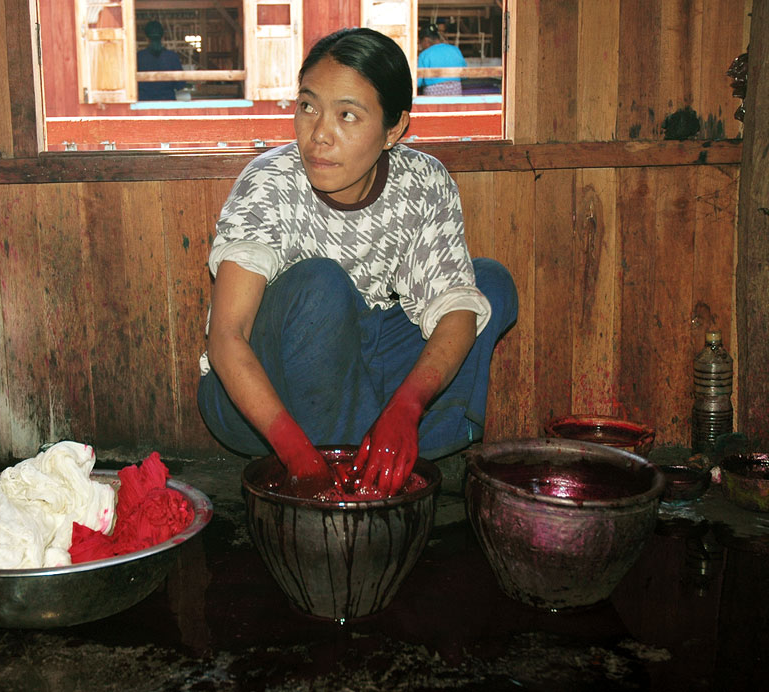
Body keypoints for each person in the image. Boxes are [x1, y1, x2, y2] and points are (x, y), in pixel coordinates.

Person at [196, 27, 517, 496]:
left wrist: (406, 407)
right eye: (307, 106)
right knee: (320, 285)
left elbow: (453, 309)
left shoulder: (423, 182)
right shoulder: (272, 184)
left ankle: (391, 445)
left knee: (487, 285)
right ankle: (344, 461)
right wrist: (296, 453)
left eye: (347, 115)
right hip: (256, 402)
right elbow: (226, 338)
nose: (319, 134)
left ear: (394, 129)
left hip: (358, 370)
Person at [136, 20, 186, 101]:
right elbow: (180, 84)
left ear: (146, 37)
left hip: (143, 102)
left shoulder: (138, 57)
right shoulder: (172, 57)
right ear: (163, 37)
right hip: (167, 102)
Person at [417, 23, 467, 96]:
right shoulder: (455, 50)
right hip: (455, 92)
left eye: (420, 43)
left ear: (426, 40)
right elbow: (464, 76)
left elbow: (418, 82)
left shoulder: (424, 55)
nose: (420, 46)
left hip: (433, 93)